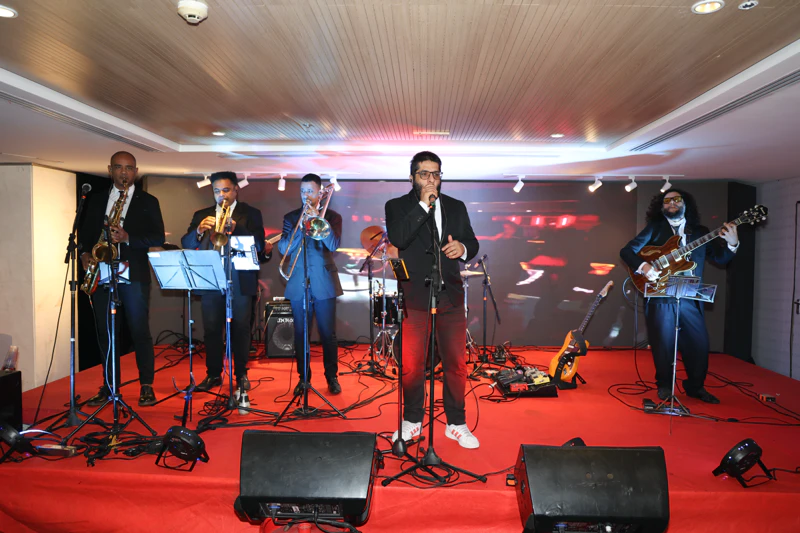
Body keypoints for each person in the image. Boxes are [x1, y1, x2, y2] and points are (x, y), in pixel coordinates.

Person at [385, 151, 481, 449]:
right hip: (415, 296)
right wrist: (424, 206)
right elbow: (399, 238)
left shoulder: (455, 206)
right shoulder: (397, 206)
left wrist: (463, 248)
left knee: (456, 363)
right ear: (412, 177)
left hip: (450, 294)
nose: (431, 179)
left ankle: (456, 423)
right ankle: (412, 420)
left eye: (436, 174)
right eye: (424, 174)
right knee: (412, 364)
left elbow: (472, 242)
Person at [620, 189, 738, 404]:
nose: (671, 203)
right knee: (663, 344)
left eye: (676, 199)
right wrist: (644, 266)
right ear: (661, 206)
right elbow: (627, 251)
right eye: (667, 200)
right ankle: (664, 386)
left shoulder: (701, 232)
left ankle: (695, 387)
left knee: (699, 344)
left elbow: (720, 259)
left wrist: (732, 243)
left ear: (685, 204)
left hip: (690, 296)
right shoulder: (655, 228)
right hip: (660, 295)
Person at [80, 151, 165, 407]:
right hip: (102, 271)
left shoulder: (148, 201)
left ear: (135, 172)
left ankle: (146, 385)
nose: (124, 172)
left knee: (139, 330)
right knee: (106, 332)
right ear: (110, 170)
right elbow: (85, 233)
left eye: (129, 168)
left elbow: (157, 237)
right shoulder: (96, 199)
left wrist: (128, 238)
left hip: (134, 274)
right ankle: (110, 386)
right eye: (118, 167)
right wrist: (84, 254)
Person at [181, 171, 269, 392]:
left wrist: (237, 227)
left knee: (241, 328)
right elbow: (186, 242)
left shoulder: (250, 213)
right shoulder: (202, 214)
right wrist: (199, 230)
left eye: (226, 190)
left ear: (236, 190)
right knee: (211, 329)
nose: (222, 195)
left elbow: (259, 245)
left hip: (240, 279)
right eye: (217, 191)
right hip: (211, 278)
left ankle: (241, 374)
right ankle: (213, 374)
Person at [278, 174, 343, 395]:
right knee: (300, 334)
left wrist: (319, 221)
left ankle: (332, 377)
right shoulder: (291, 217)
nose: (306, 195)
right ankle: (303, 379)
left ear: (320, 193)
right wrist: (301, 225)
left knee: (328, 334)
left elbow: (333, 245)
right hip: (299, 281)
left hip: (324, 281)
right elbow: (284, 248)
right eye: (302, 191)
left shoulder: (333, 217)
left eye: (310, 191)